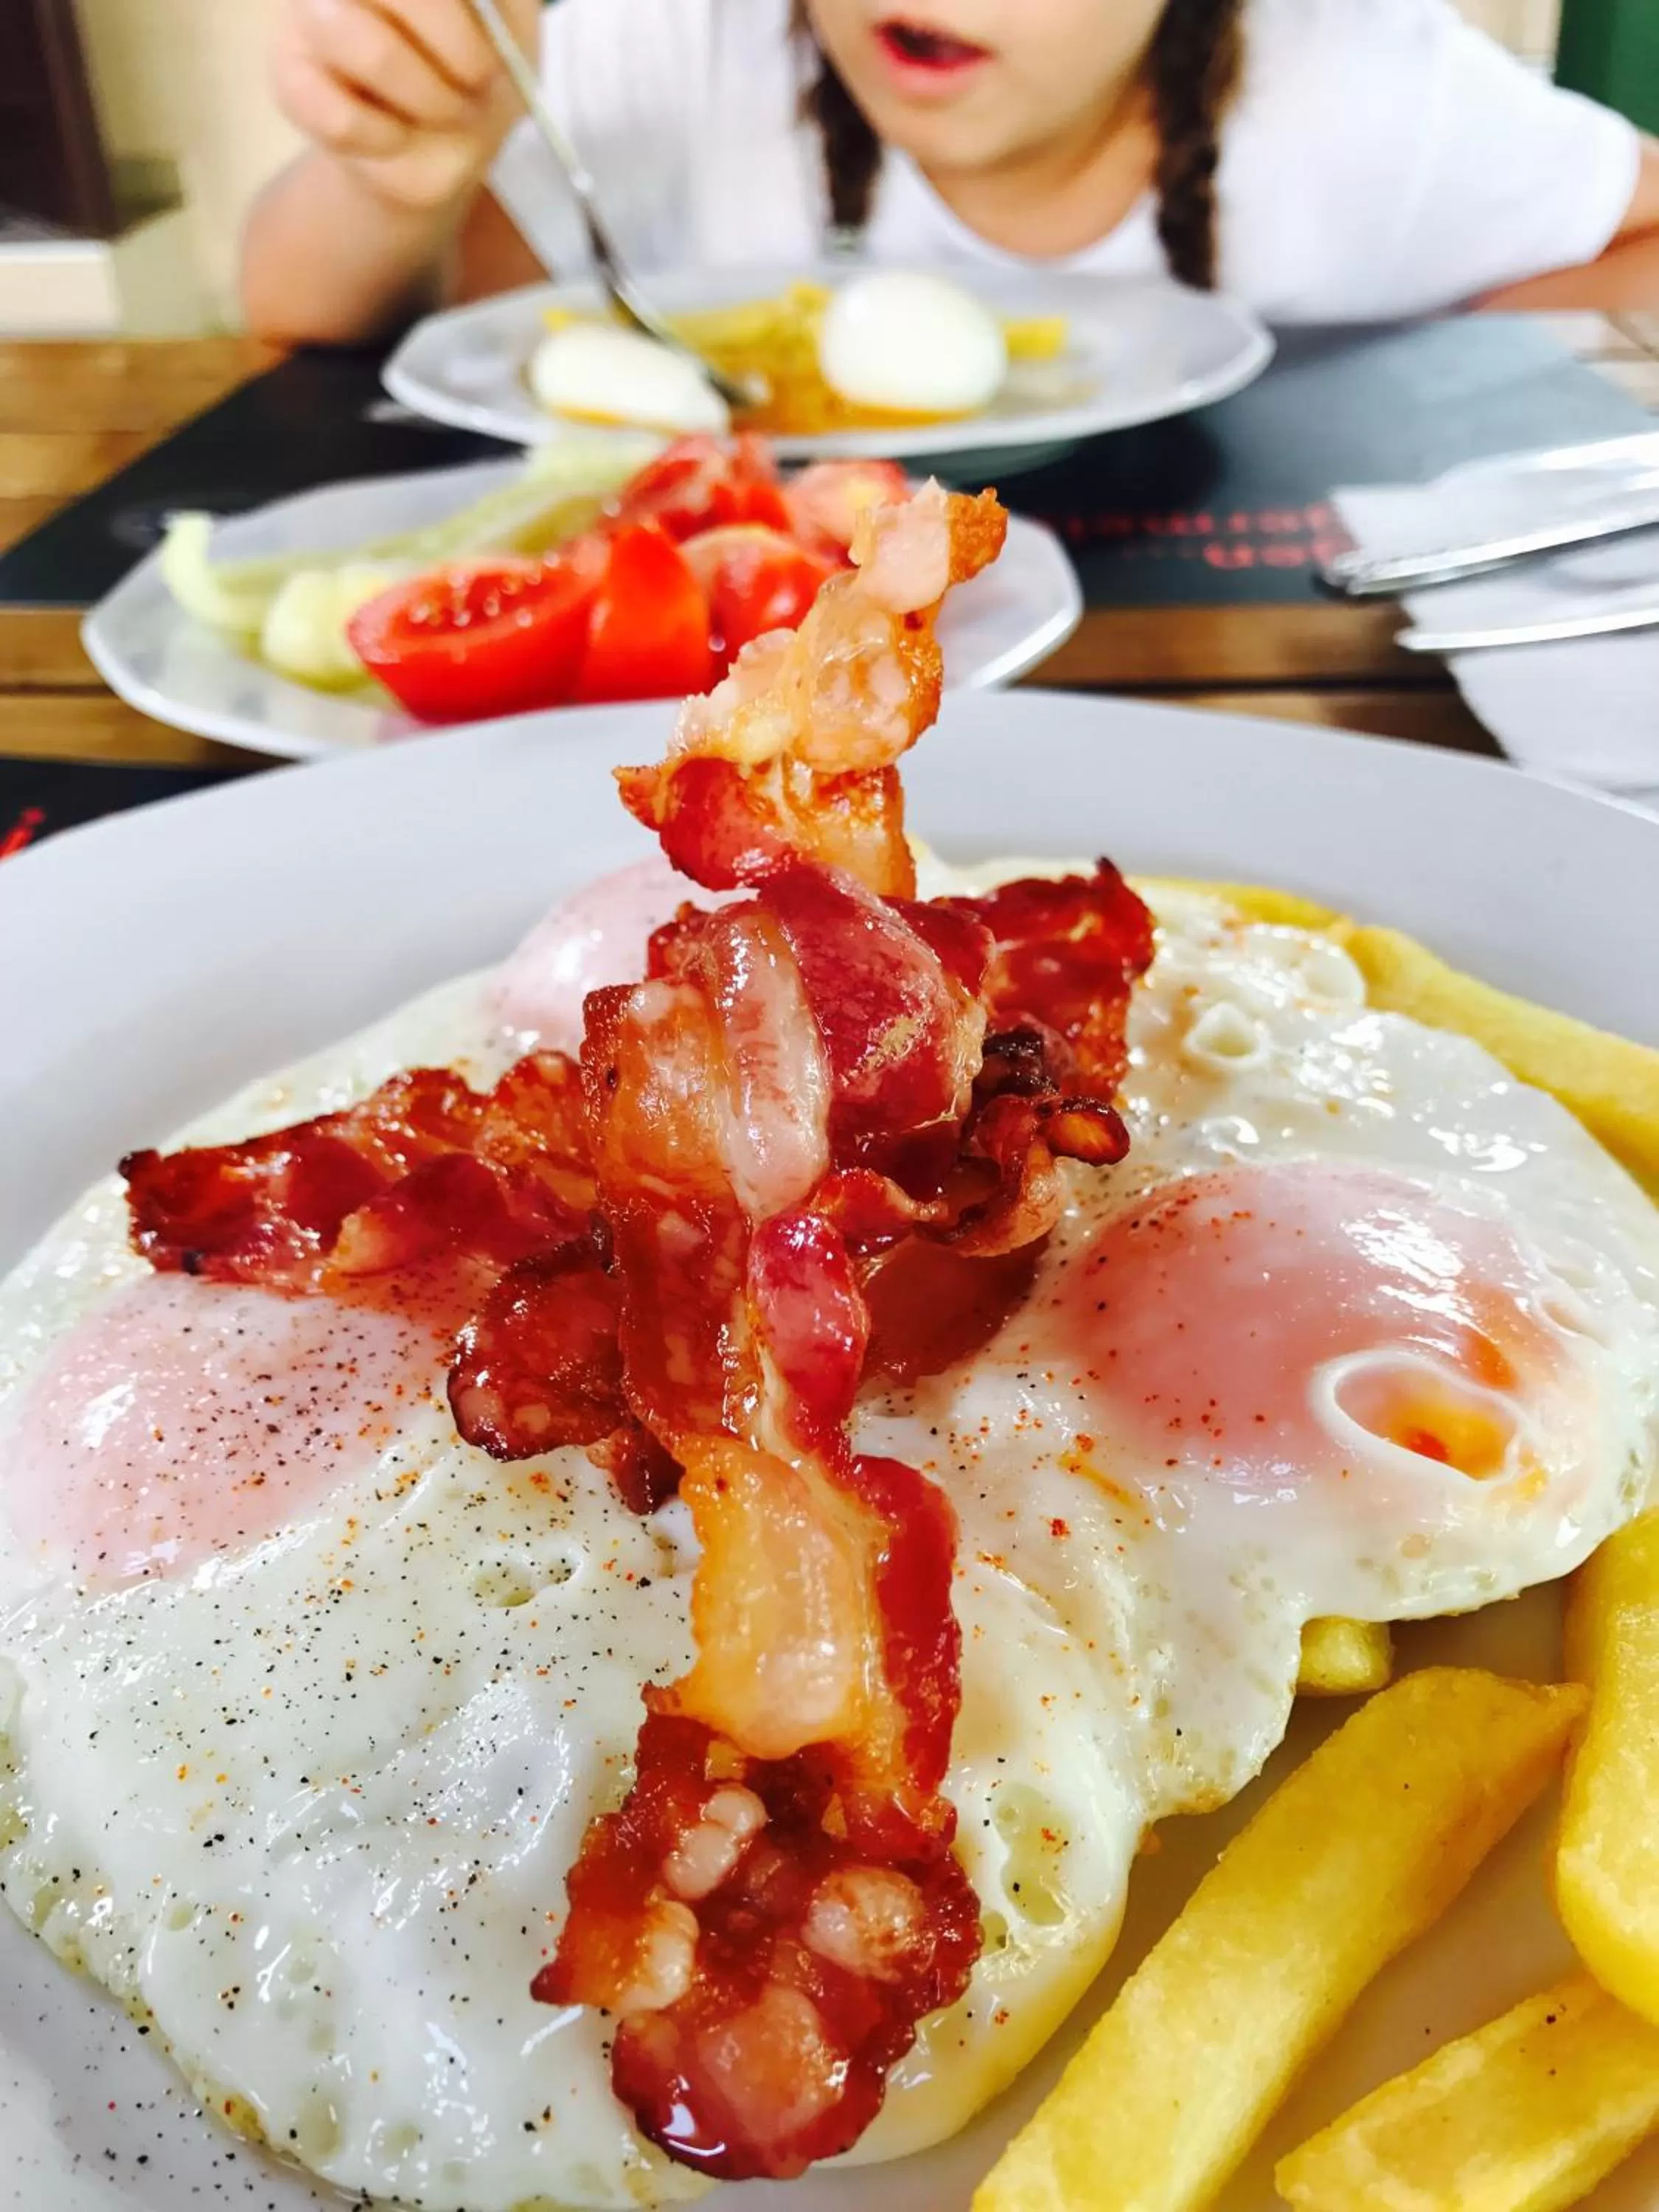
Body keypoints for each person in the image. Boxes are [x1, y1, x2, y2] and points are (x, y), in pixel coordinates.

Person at [241, 0, 1659, 348]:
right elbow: (309, 318)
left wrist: (1441, 359)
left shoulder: (1355, 80)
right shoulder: (670, 40)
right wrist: (392, 182)